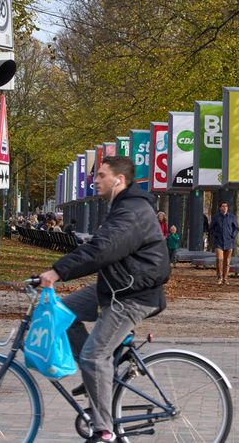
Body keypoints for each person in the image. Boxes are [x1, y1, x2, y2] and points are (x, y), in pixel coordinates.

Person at [39, 156, 170, 443]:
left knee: (93, 356)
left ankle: (104, 430)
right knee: (61, 312)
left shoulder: (132, 211)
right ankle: (98, 378)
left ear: (119, 180)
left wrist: (58, 271)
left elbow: (102, 250)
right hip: (115, 287)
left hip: (133, 295)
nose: (94, 180)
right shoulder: (121, 206)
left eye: (100, 175)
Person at [209, 201, 239, 285]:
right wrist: (216, 235)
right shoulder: (216, 217)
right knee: (219, 259)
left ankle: (225, 278)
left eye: (226, 206)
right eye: (223, 206)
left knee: (227, 261)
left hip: (229, 242)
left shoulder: (232, 217)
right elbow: (211, 228)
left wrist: (232, 235)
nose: (225, 207)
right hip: (219, 242)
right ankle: (219, 276)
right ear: (220, 208)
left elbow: (236, 228)